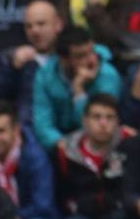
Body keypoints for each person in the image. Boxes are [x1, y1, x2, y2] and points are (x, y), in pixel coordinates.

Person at [53, 93, 129, 219]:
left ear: (118, 122)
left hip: (115, 214)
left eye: (110, 118)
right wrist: (76, 206)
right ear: (85, 120)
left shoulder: (128, 146)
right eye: (97, 117)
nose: (103, 124)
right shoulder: (68, 151)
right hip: (83, 214)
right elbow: (62, 190)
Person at [31, 24, 120, 152]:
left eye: (92, 52)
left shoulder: (108, 76)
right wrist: (64, 145)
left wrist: (79, 92)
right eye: (81, 56)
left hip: (98, 144)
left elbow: (97, 126)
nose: (91, 60)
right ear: (64, 59)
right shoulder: (45, 76)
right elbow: (43, 125)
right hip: (60, 145)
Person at [0, 0, 65, 127]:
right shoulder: (10, 58)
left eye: (41, 24)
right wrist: (12, 69)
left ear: (58, 24)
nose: (34, 31)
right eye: (29, 26)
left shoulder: (71, 57)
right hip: (26, 133)